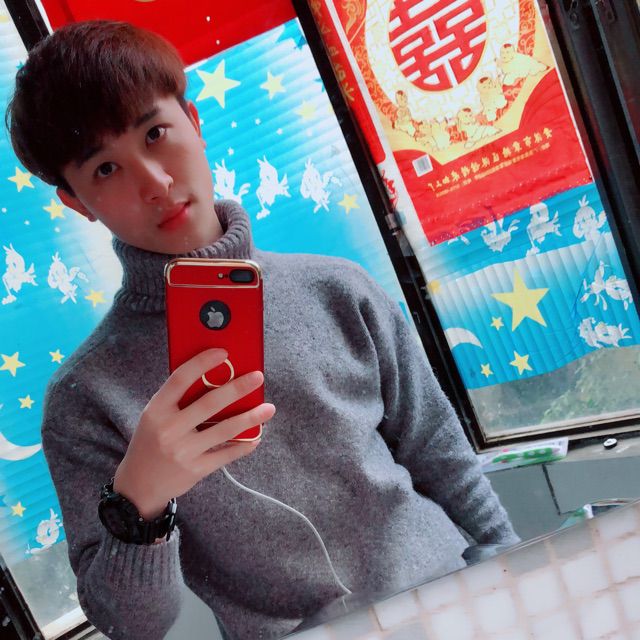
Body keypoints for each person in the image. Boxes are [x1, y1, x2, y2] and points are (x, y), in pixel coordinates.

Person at [6, 20, 519, 640]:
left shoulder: (339, 288)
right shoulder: (86, 399)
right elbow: (131, 625)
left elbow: (438, 450)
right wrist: (139, 500)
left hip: (460, 602)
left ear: (194, 121)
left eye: (155, 134)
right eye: (106, 169)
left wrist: (513, 577)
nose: (155, 184)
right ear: (76, 202)